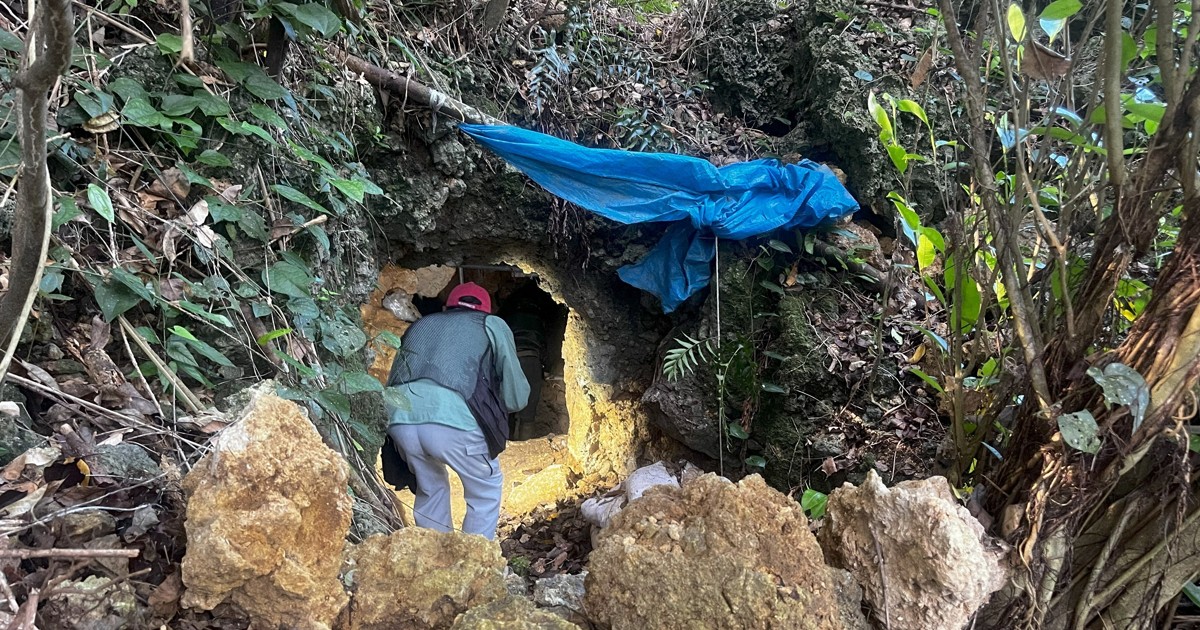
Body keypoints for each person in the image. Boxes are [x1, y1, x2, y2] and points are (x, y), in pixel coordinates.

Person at [384, 282, 530, 539]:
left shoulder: (421, 325)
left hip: (399, 420)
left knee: (430, 488)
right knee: (484, 490)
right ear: (487, 310)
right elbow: (516, 397)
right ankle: (474, 557)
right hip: (455, 421)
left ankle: (434, 555)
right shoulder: (492, 324)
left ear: (446, 308)